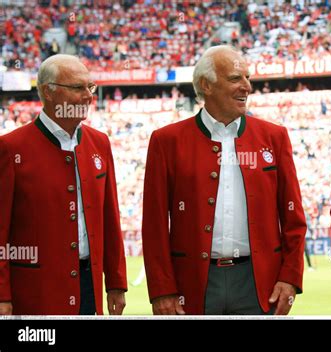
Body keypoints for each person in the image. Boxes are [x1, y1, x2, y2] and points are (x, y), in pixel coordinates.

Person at [142, 45, 306, 315]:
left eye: (247, 79)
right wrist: (162, 289)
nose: (246, 87)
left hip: (259, 283)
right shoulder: (166, 141)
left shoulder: (274, 137)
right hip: (193, 284)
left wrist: (290, 278)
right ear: (206, 85)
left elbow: (293, 218)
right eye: (235, 79)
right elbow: (154, 225)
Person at [0, 54, 127, 315]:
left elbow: (110, 219)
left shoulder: (100, 143)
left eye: (89, 87)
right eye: (78, 88)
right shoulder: (11, 148)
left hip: (89, 287)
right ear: (49, 92)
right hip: (35, 292)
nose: (88, 96)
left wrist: (116, 282)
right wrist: (2, 295)